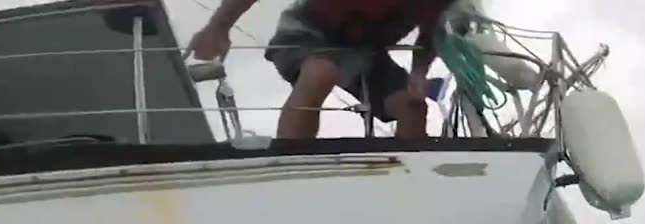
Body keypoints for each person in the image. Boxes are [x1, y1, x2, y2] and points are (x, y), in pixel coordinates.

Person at [186, 0, 459, 140]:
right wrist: (219, 27)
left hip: (364, 52)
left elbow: (431, 33)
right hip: (304, 33)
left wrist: (419, 73)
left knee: (413, 107)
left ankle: (409, 180)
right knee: (320, 73)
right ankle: (292, 159)